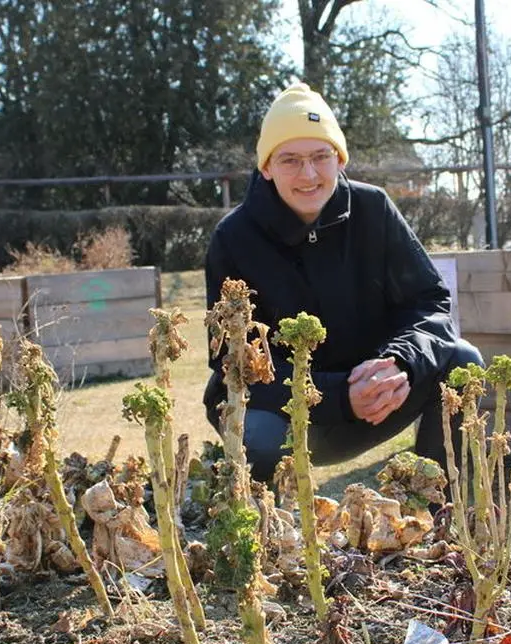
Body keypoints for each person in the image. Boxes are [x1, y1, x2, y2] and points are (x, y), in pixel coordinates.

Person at [203, 82, 484, 483]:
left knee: (462, 362)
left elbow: (429, 302)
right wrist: (337, 397)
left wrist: (398, 363)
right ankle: (271, 535)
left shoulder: (374, 210)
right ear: (265, 167)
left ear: (339, 158)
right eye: (290, 160)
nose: (309, 174)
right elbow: (234, 363)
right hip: (285, 414)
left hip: (376, 398)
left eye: (321, 156)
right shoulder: (232, 239)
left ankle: (436, 515)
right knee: (261, 440)